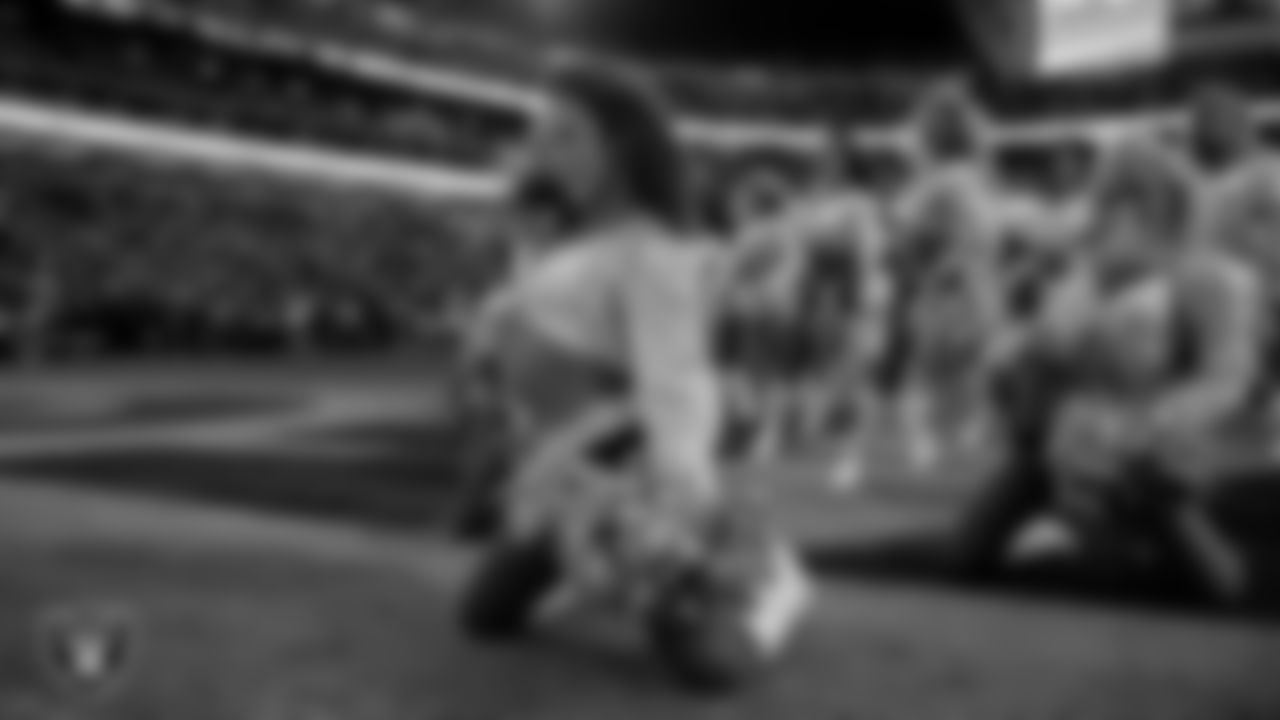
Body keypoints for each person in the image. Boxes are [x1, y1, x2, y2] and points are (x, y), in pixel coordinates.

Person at [456, 62, 811, 693]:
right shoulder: (568, 241)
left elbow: (677, 378)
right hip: (557, 467)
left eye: (566, 135)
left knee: (712, 666)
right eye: (540, 136)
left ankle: (776, 583)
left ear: (620, 146)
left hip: (622, 465)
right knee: (485, 616)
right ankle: (581, 562)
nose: (545, 152)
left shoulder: (654, 251)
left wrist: (683, 494)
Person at [954, 139, 1261, 607]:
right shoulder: (1082, 279)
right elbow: (1044, 354)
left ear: (1170, 204)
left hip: (1153, 440)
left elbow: (1226, 377)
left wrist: (1153, 424)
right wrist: (1014, 376)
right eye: (1113, 196)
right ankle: (1079, 529)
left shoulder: (1207, 277)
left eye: (1136, 196)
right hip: (1063, 434)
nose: (1122, 211)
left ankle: (1161, 528)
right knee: (965, 554)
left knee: (1215, 581)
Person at [884, 82, 1015, 475]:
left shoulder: (939, 181)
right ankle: (970, 431)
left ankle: (930, 443)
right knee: (975, 369)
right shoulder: (977, 176)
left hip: (948, 286)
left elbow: (902, 229)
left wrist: (910, 250)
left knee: (922, 376)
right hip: (979, 285)